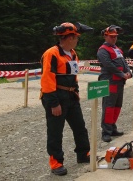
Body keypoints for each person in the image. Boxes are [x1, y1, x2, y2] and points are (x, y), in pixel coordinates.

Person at [40, 22, 93, 176]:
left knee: (80, 127)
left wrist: (76, 92)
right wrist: (54, 103)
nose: (77, 40)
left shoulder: (73, 54)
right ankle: (56, 162)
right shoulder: (52, 54)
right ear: (69, 38)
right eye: (76, 37)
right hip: (56, 96)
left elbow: (73, 75)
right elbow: (47, 80)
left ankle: (83, 154)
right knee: (55, 131)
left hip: (71, 96)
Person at [97, 25, 132, 143]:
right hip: (110, 80)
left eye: (115, 37)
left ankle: (112, 127)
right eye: (111, 37)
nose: (114, 39)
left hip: (119, 81)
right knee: (109, 107)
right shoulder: (103, 50)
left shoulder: (117, 49)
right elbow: (108, 65)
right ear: (105, 36)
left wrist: (128, 71)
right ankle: (106, 131)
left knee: (117, 106)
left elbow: (124, 61)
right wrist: (122, 74)